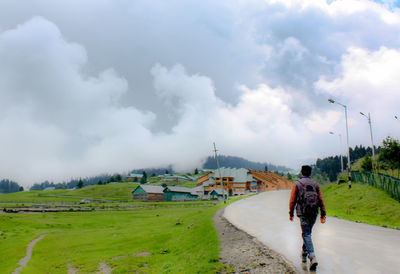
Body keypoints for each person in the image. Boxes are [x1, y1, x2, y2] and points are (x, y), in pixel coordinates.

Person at [289, 165, 326, 271]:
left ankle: (312, 257)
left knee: (306, 234)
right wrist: (323, 214)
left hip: (303, 213)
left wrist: (291, 213)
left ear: (302, 172)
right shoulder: (316, 184)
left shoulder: (297, 184)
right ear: (310, 173)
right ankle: (304, 253)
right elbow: (321, 200)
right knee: (308, 233)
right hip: (314, 213)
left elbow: (292, 200)